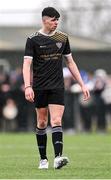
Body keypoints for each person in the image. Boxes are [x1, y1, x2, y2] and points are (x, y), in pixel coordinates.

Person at [23, 7, 90, 169]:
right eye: (53, 20)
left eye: (57, 20)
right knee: (42, 121)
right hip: (39, 86)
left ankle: (58, 158)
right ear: (44, 20)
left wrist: (82, 84)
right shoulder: (32, 39)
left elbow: (70, 62)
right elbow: (26, 64)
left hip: (57, 86)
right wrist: (27, 86)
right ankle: (43, 159)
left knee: (56, 120)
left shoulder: (63, 38)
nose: (56, 23)